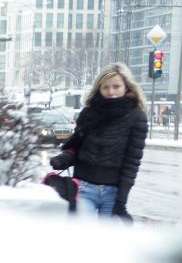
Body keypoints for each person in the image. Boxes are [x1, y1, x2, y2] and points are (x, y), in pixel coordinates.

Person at [48, 62, 147, 220]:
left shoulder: (136, 117)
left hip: (113, 192)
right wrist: (65, 158)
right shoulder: (89, 113)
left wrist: (121, 200)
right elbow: (78, 146)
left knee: (108, 242)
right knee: (82, 238)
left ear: (126, 87)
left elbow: (132, 162)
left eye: (116, 86)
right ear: (99, 89)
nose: (111, 92)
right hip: (83, 187)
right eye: (105, 87)